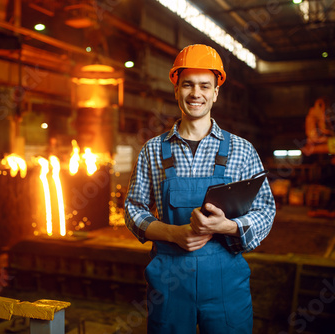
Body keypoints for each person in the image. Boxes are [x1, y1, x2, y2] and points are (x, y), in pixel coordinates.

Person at [124, 44, 276, 333]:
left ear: (216, 92)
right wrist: (172, 233)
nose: (196, 94)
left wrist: (228, 226)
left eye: (205, 86)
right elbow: (133, 209)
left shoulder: (242, 150)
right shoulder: (153, 150)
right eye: (188, 85)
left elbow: (265, 210)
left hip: (226, 284)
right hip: (169, 283)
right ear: (176, 89)